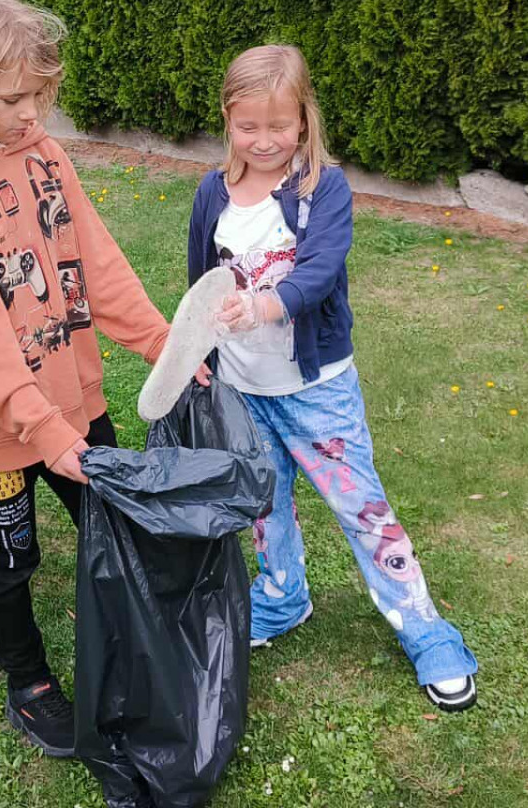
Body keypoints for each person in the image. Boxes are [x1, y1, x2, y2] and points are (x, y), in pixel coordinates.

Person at [0, 0, 202, 758]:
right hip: (1, 432)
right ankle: (28, 683)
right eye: (13, 98)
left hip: (77, 408)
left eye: (39, 95)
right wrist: (38, 426)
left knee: (115, 526)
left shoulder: (44, 156)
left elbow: (94, 263)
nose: (32, 113)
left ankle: (140, 643)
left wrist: (163, 345)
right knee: (10, 563)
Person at [189, 44, 480, 713]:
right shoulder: (211, 193)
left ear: (304, 119)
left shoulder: (324, 189)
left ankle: (426, 630)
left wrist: (263, 306)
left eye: (279, 125)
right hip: (244, 391)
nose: (265, 141)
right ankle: (282, 596)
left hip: (318, 393)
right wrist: (201, 351)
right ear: (228, 120)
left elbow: (319, 272)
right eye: (248, 126)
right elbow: (201, 281)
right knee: (265, 507)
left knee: (363, 510)